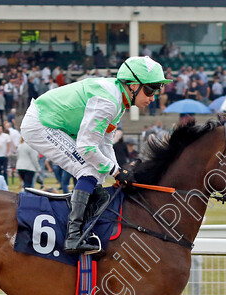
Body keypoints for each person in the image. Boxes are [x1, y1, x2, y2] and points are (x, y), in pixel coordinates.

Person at [21, 56, 165, 253]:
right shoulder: (108, 102)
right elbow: (87, 148)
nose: (153, 97)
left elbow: (105, 142)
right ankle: (74, 236)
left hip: (55, 124)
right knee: (88, 168)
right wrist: (116, 172)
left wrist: (117, 172)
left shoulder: (119, 101)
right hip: (41, 123)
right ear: (132, 86)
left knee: (96, 174)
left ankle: (84, 224)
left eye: (157, 91)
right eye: (150, 89)